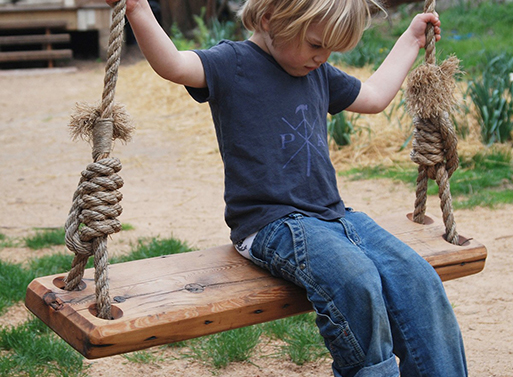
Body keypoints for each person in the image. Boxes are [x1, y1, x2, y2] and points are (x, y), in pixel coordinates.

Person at [107, 0, 467, 375]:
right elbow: (173, 65)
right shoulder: (233, 64)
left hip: (335, 217)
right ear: (269, 20)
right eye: (315, 44)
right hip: (270, 224)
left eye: (329, 48)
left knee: (418, 278)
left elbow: (375, 96)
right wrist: (136, 9)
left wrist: (411, 38)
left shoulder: (318, 72)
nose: (322, 56)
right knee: (355, 280)